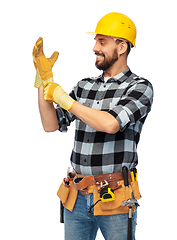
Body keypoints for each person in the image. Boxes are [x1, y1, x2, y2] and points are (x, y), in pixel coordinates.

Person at [33, 12, 153, 240]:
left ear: (122, 47)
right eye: (96, 41)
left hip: (116, 197)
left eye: (102, 41)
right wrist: (44, 80)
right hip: (76, 195)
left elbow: (111, 123)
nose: (94, 47)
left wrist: (68, 102)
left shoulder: (140, 87)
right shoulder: (84, 86)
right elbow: (50, 124)